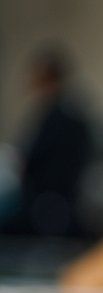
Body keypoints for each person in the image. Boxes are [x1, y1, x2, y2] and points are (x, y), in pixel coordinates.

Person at [4, 47, 96, 237]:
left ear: (49, 80)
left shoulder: (59, 119)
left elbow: (32, 161)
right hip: (58, 203)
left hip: (46, 205)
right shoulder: (72, 114)